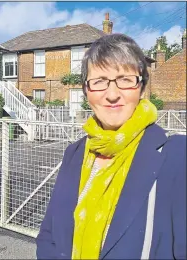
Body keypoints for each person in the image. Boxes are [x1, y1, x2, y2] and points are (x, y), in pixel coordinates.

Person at [36, 33, 186, 259]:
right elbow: (49, 234)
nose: (112, 94)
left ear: (142, 88)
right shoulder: (74, 153)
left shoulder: (176, 155)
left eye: (125, 80)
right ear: (86, 92)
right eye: (99, 82)